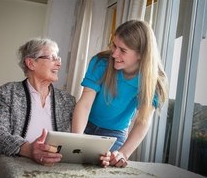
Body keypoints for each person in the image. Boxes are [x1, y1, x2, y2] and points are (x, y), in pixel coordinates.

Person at [72, 20, 168, 168]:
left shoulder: (154, 82)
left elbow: (142, 121)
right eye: (114, 46)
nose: (114, 54)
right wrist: (77, 140)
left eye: (123, 50)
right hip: (85, 124)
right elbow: (84, 104)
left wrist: (123, 154)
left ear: (141, 55)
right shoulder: (101, 63)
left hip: (114, 134)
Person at [0, 38, 76, 177]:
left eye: (58, 58)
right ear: (31, 63)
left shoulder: (67, 101)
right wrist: (27, 149)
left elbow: (77, 141)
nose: (59, 63)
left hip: (52, 173)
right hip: (11, 171)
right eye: (52, 58)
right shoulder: (8, 92)